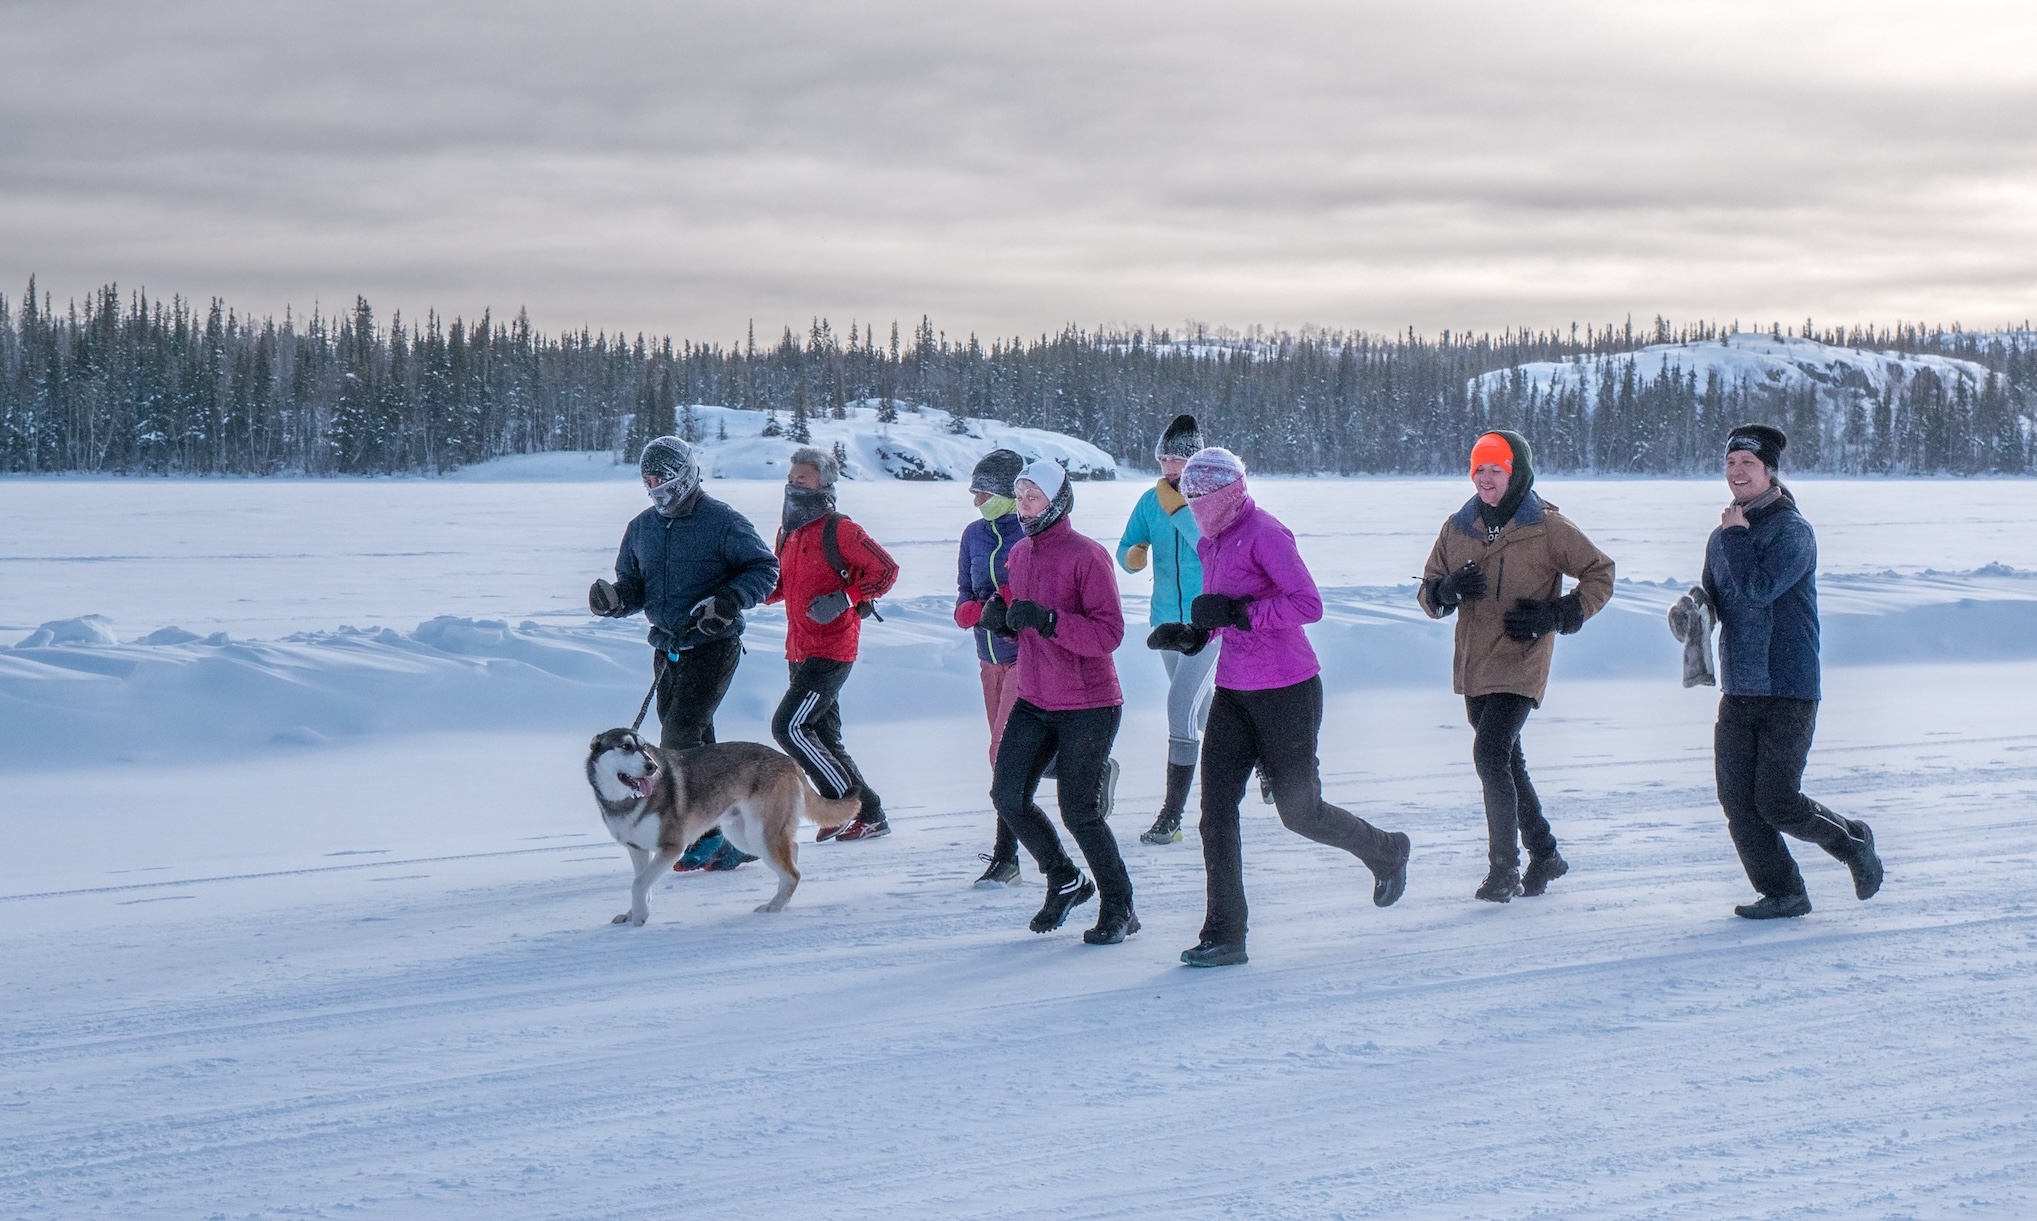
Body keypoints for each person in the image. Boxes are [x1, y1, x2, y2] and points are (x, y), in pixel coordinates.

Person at [1153, 447, 1410, 968]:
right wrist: (1191, 635)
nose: (1195, 503)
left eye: (1204, 494)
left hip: (1288, 691)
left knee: (1300, 813)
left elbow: (1307, 604)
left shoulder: (1266, 532)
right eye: (1190, 494)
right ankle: (1226, 934)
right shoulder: (1211, 543)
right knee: (1215, 814)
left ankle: (1386, 851)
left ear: (1229, 491)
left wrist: (1240, 613)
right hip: (1233, 692)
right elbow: (1219, 618)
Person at [1692, 423, 1883, 919]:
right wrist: (1694, 610)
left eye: (1747, 464)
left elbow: (1758, 588)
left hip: (1787, 686)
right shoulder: (1722, 535)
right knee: (1738, 800)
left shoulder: (1793, 531)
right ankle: (1783, 891)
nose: (1736, 472)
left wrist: (1734, 536)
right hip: (1740, 686)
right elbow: (1720, 597)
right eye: (1730, 463)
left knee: (1776, 800)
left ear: (1770, 472)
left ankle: (1853, 841)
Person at [1417, 430, 1615, 902]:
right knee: (1508, 761)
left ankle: (1503, 870)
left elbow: (1600, 572)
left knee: (1489, 756)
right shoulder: (1458, 525)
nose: (1485, 479)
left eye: (1496, 470)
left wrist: (1560, 614)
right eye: (1479, 469)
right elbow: (1428, 590)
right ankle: (1545, 854)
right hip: (1474, 663)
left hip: (1521, 661)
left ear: (1516, 473)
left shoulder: (1547, 527)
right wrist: (1445, 593)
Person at [588, 435, 779, 870]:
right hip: (668, 647)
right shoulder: (641, 527)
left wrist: (729, 600)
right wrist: (615, 600)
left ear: (685, 475)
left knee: (678, 737)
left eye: (662, 479)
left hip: (714, 645)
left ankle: (702, 834)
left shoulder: (722, 521)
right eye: (648, 480)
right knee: (695, 741)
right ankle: (732, 833)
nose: (655, 488)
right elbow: (634, 585)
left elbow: (765, 568)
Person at [983, 458, 1138, 944]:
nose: (1026, 507)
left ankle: (1120, 907)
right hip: (1035, 697)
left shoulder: (1087, 556)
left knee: (1079, 810)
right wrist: (1004, 618)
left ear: (1058, 500)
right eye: (1021, 496)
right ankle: (1064, 878)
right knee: (1007, 795)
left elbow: (1109, 634)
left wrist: (1049, 621)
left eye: (1034, 497)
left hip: (1089, 703)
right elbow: (1023, 618)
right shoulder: (1021, 555)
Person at [766, 447, 900, 842]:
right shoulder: (788, 531)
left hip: (832, 649)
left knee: (789, 727)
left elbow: (887, 570)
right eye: (790, 479)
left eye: (801, 480)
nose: (792, 486)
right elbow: (781, 586)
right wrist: (744, 590)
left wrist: (845, 598)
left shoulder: (841, 529)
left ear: (824, 484)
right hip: (799, 649)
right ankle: (870, 814)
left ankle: (839, 805)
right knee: (823, 738)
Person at [1117, 414, 1219, 846]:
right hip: (1165, 621)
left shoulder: (1212, 498)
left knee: (1179, 706)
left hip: (1207, 623)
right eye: (1164, 459)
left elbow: (1206, 544)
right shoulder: (1148, 500)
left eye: (1178, 459)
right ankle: (1263, 759)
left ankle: (1172, 815)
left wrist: (1177, 507)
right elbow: (1125, 549)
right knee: (1200, 708)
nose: (1169, 468)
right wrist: (1134, 555)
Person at [954, 448, 1028, 885]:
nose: (977, 500)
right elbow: (963, 590)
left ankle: (1007, 857)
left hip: (1025, 656)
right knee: (1009, 756)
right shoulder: (972, 535)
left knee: (1003, 754)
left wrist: (1009, 611)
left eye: (983, 492)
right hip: (988, 660)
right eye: (974, 492)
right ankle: (1087, 769)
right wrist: (972, 612)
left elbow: (1040, 594)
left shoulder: (1028, 534)